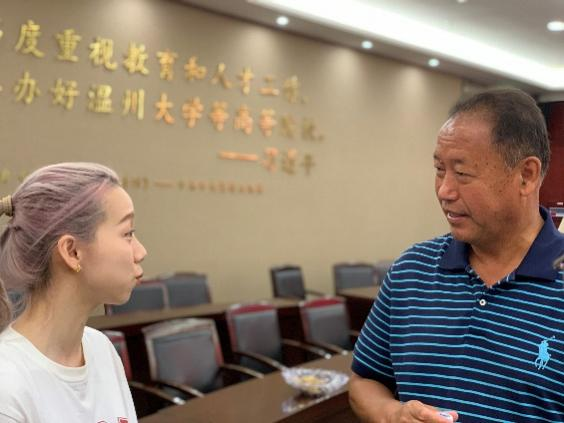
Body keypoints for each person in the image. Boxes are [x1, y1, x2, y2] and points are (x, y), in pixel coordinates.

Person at [349, 89, 564, 422]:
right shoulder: (410, 271)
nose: (444, 190)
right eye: (439, 169)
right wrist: (392, 414)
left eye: (462, 174)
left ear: (526, 175)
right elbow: (365, 379)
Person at [0, 162, 147, 422]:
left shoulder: (101, 348)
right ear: (72, 251)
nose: (141, 252)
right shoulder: (8, 386)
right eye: (128, 233)